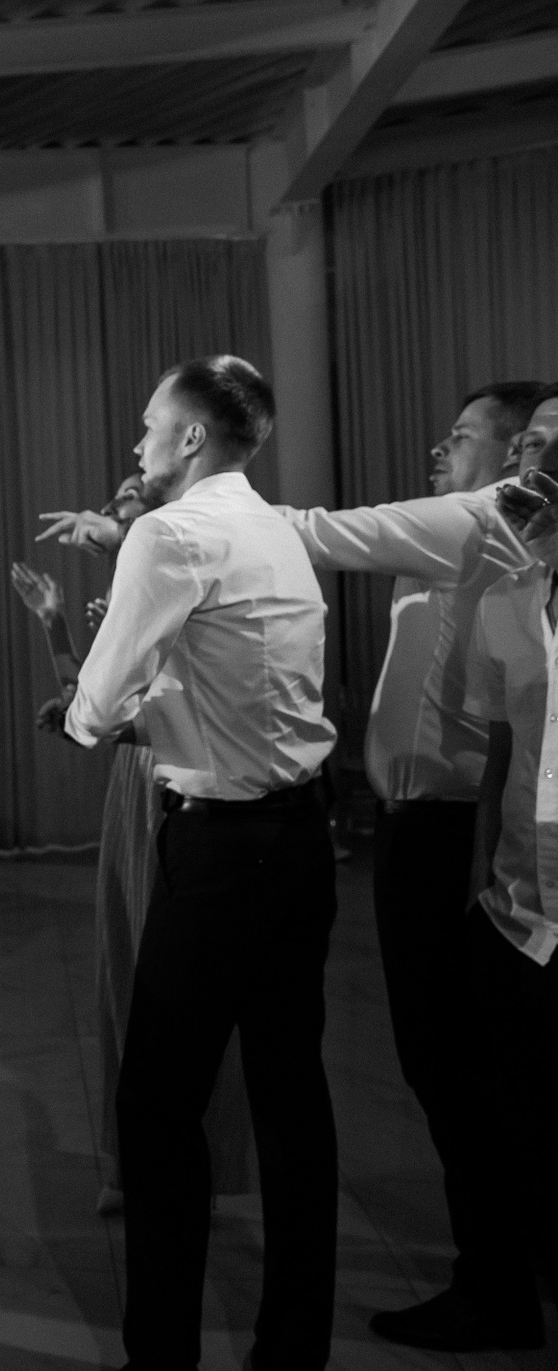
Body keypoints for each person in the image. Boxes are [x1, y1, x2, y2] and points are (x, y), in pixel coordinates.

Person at [54, 356, 338, 1371]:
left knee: (157, 1106)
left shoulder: (168, 535)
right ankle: (294, 1345)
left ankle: (163, 1355)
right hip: (304, 839)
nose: (137, 445)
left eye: (148, 427)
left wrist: (94, 706)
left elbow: (94, 707)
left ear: (190, 438)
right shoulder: (277, 530)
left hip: (221, 852)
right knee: (290, 1095)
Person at [265, 382, 545, 1352]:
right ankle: (510, 1264)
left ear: (513, 452)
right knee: (469, 1063)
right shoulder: (482, 529)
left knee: (448, 1062)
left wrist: (183, 518)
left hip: (447, 830)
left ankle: (495, 1286)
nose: (440, 450)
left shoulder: (482, 516)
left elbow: (315, 532)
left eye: (463, 436)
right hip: (431, 823)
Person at [12, 475, 254, 1215]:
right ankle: (130, 1158)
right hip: (132, 788)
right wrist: (56, 625)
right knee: (122, 968)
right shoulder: (131, 593)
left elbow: (168, 708)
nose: (116, 501)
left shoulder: (195, 586)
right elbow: (90, 709)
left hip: (178, 784)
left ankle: (194, 1161)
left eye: (129, 500)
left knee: (181, 989)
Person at [399, 385, 558, 1355]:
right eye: (531, 443)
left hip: (489, 860)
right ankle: (503, 1276)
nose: (537, 462)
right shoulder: (507, 585)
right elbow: (501, 748)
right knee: (494, 1093)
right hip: (499, 885)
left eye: (545, 444)